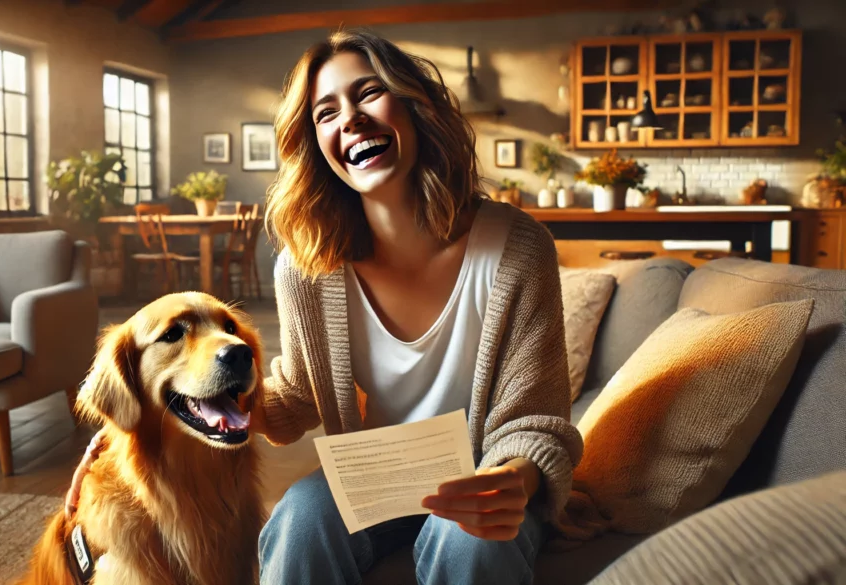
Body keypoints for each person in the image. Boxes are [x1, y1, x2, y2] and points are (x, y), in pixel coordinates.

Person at [67, 29, 582, 585]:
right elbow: (296, 396)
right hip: (378, 472)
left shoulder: (518, 249)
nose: (351, 119)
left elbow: (536, 420)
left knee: (468, 540)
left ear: (415, 107)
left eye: (369, 93)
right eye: (326, 113)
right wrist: (149, 419)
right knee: (298, 520)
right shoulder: (307, 268)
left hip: (486, 468)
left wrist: (516, 477)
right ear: (316, 145)